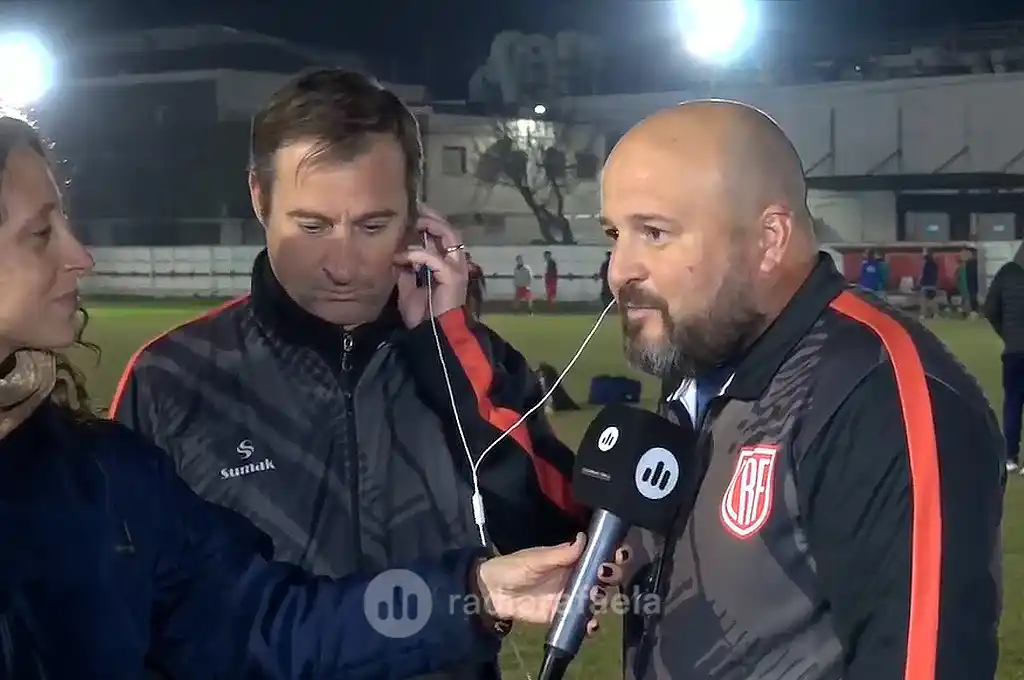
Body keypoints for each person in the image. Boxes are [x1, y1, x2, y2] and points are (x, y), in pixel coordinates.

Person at [0, 115, 625, 679]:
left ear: (415, 215)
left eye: (374, 225)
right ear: (259, 197)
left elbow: (265, 623)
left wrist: (477, 592)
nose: (344, 265)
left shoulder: (91, 467)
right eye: (38, 233)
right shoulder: (171, 378)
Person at [600, 100, 1004, 679]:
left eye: (655, 233)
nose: (619, 269)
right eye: (616, 233)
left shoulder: (879, 394)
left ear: (769, 239)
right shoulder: (702, 354)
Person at [983, 243, 1024, 474]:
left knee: (1013, 403)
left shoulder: (1007, 273)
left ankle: (1010, 456)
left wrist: (1006, 334)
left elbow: (990, 308)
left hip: (1014, 351)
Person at [957, 248, 980, 319]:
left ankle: (966, 312)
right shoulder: (972, 264)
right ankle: (969, 312)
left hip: (968, 284)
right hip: (968, 284)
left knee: (967, 298)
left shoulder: (968, 264)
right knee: (968, 298)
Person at [919, 248, 939, 319]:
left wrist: (920, 282)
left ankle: (923, 314)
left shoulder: (925, 265)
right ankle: (935, 314)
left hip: (925, 285)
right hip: (933, 285)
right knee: (932, 300)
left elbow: (923, 275)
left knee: (924, 301)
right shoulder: (935, 265)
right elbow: (936, 276)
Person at [466, 251, 485, 320]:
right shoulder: (462, 267)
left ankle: (477, 315)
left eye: (468, 258)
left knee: (478, 300)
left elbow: (481, 277)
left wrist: (483, 287)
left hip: (474, 284)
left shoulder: (476, 266)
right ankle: (470, 315)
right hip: (467, 284)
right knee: (467, 301)